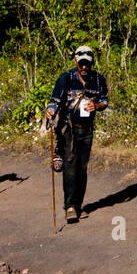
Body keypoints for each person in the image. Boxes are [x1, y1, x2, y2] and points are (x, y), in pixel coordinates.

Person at [46, 46, 108, 224]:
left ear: (91, 63)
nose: (84, 67)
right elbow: (54, 100)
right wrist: (50, 110)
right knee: (71, 167)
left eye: (87, 64)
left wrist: (96, 106)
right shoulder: (65, 78)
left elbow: (104, 101)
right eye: (81, 63)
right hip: (68, 130)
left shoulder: (98, 79)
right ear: (75, 61)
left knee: (82, 168)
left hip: (87, 129)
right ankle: (70, 207)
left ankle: (79, 205)